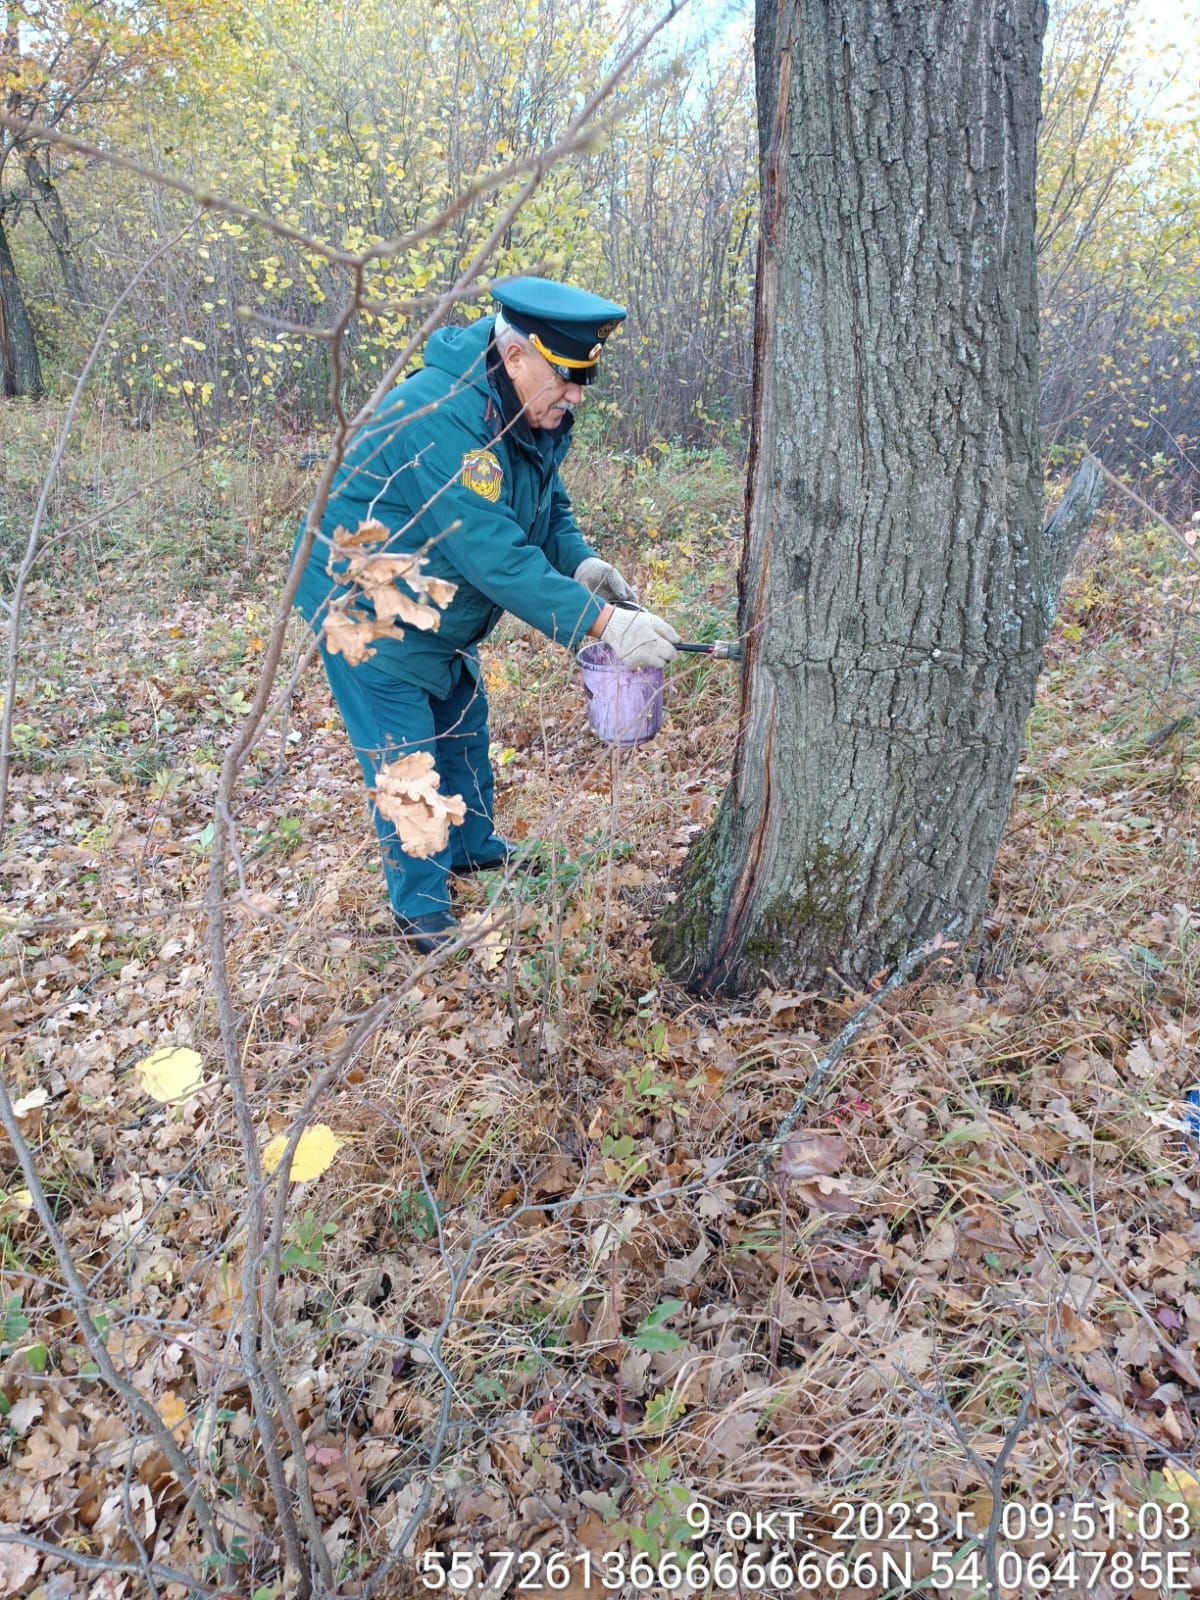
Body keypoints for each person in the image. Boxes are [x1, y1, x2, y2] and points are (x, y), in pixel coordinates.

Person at [292, 276, 680, 953]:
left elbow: (544, 507)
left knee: (464, 728)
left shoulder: (529, 407)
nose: (576, 394)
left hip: (438, 605)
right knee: (407, 760)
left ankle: (471, 850)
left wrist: (582, 564)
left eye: (583, 379)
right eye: (566, 376)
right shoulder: (443, 415)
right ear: (518, 354)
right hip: (366, 606)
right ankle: (421, 911)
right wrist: (605, 624)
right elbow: (493, 553)